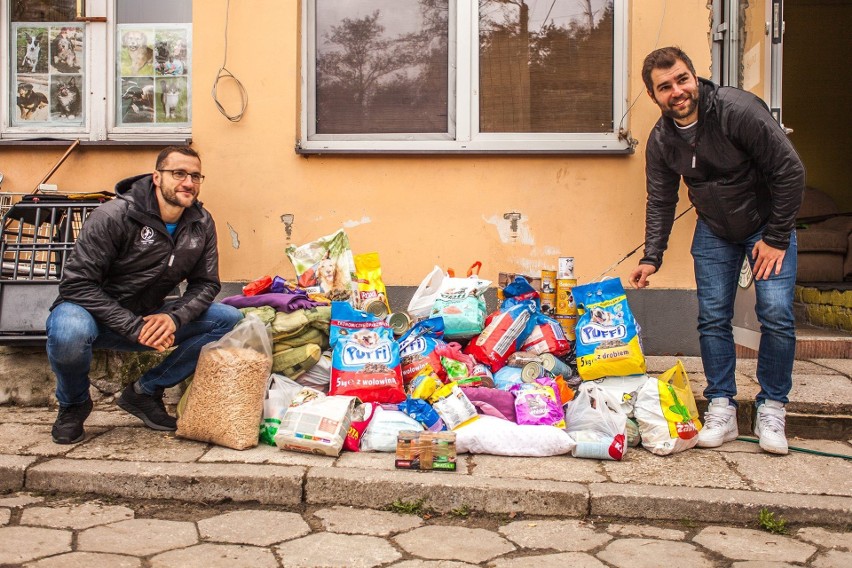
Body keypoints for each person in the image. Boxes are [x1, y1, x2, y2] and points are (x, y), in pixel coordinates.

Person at [628, 47, 805, 455]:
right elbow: (661, 199)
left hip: (765, 223)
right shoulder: (661, 140)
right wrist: (651, 256)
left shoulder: (736, 110)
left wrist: (776, 237)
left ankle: (772, 408)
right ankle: (721, 407)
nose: (678, 91)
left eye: (682, 79)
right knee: (712, 317)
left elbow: (790, 171)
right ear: (654, 95)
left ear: (695, 76)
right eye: (665, 87)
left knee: (775, 315)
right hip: (714, 230)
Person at [46, 146, 243, 444]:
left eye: (195, 176)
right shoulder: (114, 215)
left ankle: (144, 392)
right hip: (91, 315)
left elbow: (206, 284)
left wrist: (173, 318)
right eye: (178, 173)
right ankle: (73, 405)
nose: (188, 182)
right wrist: (133, 327)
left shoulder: (200, 223)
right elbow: (77, 285)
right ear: (156, 177)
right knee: (68, 330)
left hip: (148, 317)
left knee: (229, 319)